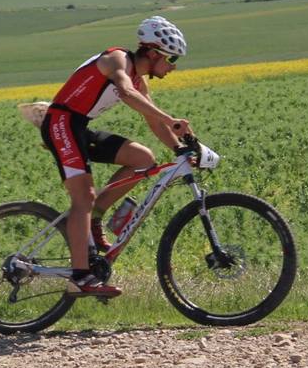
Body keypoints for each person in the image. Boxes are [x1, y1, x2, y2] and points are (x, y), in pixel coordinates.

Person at [40, 16, 193, 298]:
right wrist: (171, 120)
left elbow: (152, 120)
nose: (173, 67)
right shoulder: (117, 60)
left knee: (143, 159)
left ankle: (95, 218)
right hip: (61, 123)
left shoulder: (139, 79)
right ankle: (80, 276)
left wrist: (180, 148)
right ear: (154, 52)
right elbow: (125, 91)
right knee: (82, 197)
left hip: (79, 126)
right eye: (171, 59)